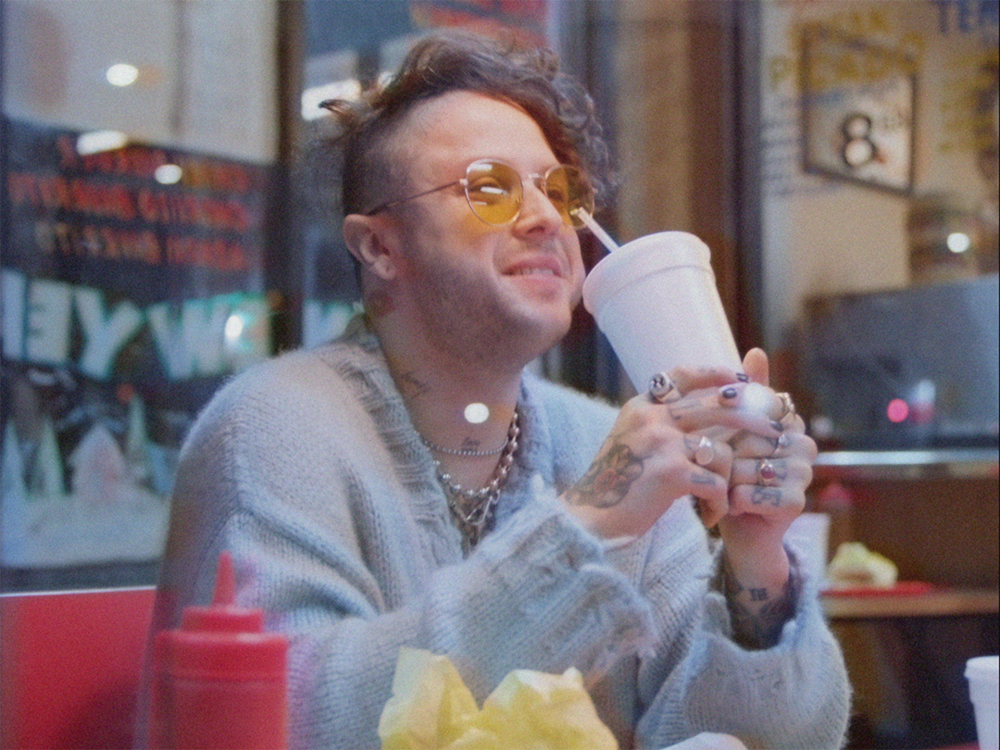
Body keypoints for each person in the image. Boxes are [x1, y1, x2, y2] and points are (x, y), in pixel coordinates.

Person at [139, 31, 850, 750]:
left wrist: (756, 561)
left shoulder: (604, 441)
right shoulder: (275, 425)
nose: (545, 218)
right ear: (379, 246)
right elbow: (284, 720)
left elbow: (748, 740)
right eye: (488, 188)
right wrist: (588, 522)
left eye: (559, 191)